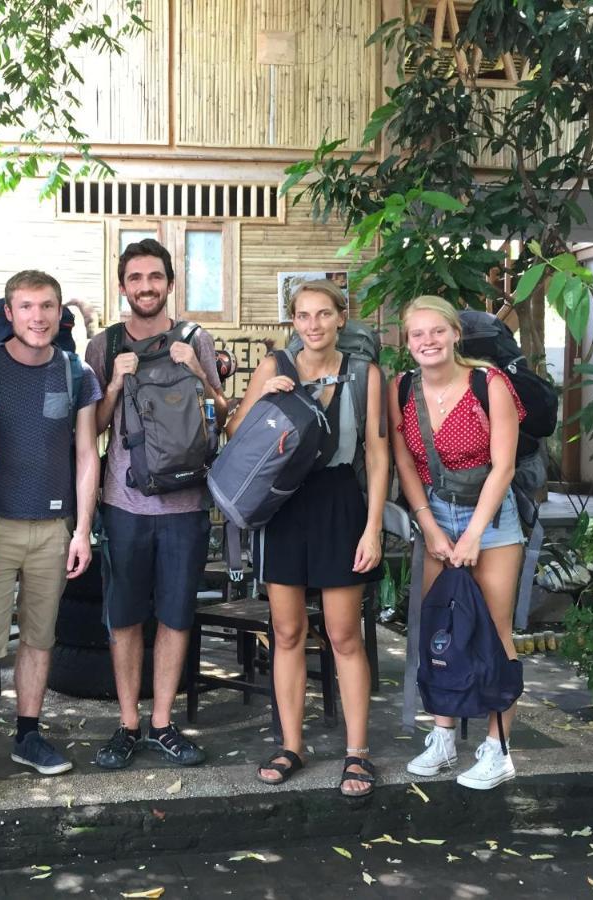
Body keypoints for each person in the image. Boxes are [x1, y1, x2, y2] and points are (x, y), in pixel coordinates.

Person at [0, 270, 101, 814]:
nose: (38, 317)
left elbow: (86, 454)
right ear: (8, 313)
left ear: (61, 313)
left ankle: (28, 735)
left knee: (40, 638)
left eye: (48, 307)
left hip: (54, 529)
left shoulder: (75, 371)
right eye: (27, 307)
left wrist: (82, 529)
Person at [225, 280, 388, 795]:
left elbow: (379, 454)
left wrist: (374, 526)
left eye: (323, 314)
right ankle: (290, 744)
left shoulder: (365, 374)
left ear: (342, 318)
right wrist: (260, 401)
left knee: (343, 634)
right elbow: (235, 434)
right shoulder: (275, 367)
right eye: (303, 316)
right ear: (291, 321)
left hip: (340, 501)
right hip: (283, 502)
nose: (313, 325)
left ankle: (357, 752)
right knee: (288, 632)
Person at [85, 238, 228, 770]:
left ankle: (163, 723)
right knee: (123, 618)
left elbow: (224, 415)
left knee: (174, 614)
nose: (145, 287)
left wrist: (197, 371)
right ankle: (128, 723)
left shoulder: (196, 339)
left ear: (169, 283)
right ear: (123, 286)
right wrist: (116, 383)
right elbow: (94, 429)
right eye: (135, 278)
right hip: (124, 503)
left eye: (155, 277)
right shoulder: (102, 347)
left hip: (187, 502)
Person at [389, 294, 526, 790]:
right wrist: (429, 525)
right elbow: (405, 462)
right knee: (440, 627)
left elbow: (504, 467)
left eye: (436, 331)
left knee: (493, 630)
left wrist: (472, 534)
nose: (428, 341)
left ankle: (498, 749)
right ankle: (444, 737)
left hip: (490, 516)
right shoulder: (401, 387)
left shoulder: (489, 384)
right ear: (408, 343)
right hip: (436, 513)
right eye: (417, 334)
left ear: (454, 334)